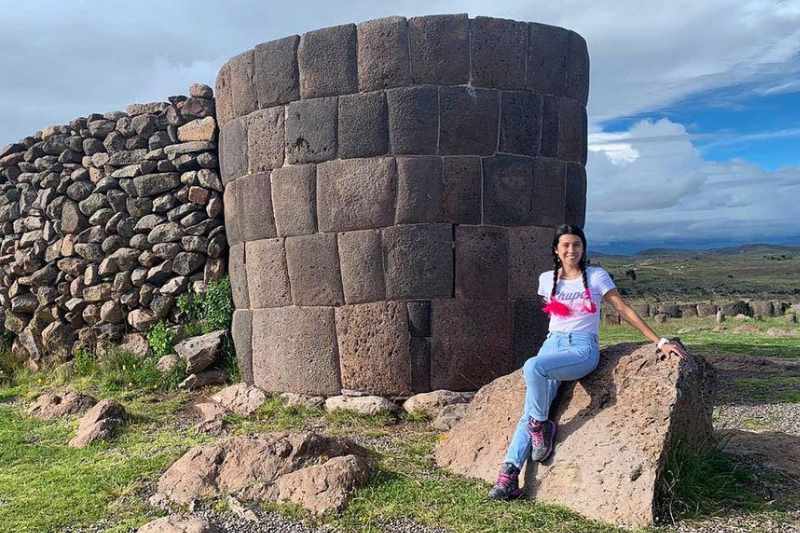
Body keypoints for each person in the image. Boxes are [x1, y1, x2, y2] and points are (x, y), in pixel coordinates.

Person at [488, 224, 687, 500]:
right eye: (566, 245)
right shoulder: (547, 279)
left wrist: (659, 340)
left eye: (577, 245)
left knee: (532, 367)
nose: (572, 250)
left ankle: (542, 427)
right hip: (553, 344)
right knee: (531, 412)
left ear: (583, 248)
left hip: (582, 349)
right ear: (556, 250)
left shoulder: (596, 276)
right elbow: (553, 312)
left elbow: (623, 308)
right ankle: (508, 476)